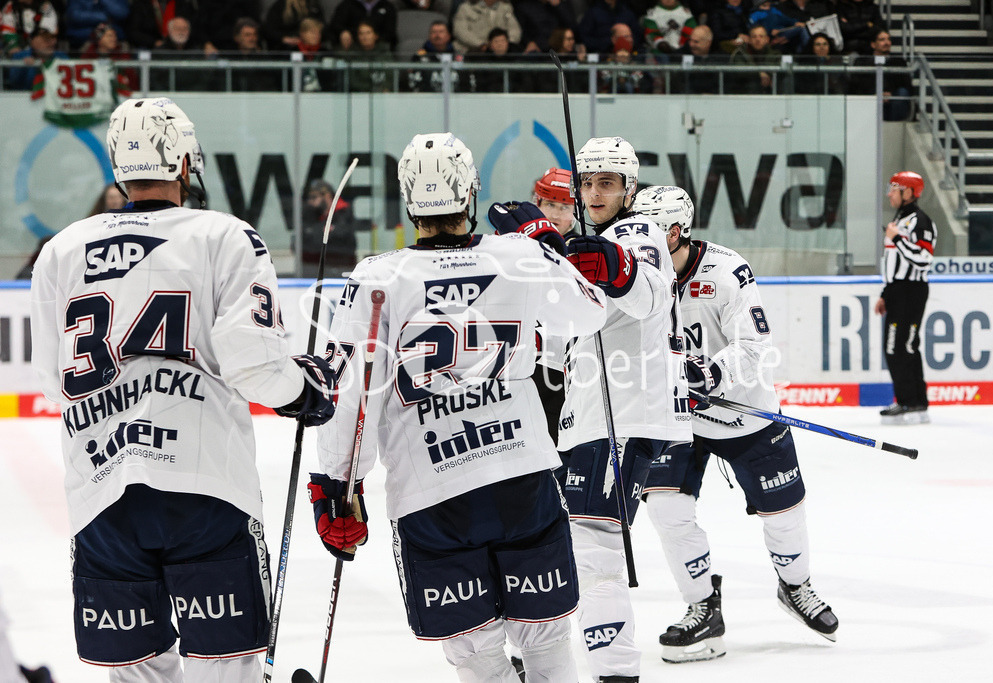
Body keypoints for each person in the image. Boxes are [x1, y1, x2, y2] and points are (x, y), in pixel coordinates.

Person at [29, 96, 338, 681]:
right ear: (185, 163)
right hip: (206, 490)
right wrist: (303, 392)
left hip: (102, 494)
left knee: (138, 673)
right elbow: (252, 362)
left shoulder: (62, 250)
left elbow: (51, 379)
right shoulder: (224, 236)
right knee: (226, 667)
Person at [313, 131, 607, 682]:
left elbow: (352, 396)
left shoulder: (378, 275)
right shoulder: (518, 254)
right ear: (471, 191)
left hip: (433, 493)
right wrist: (546, 246)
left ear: (407, 199)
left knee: (477, 657)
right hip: (522, 476)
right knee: (546, 645)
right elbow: (589, 314)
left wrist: (336, 486)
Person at [631, 185, 840, 664]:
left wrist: (709, 374)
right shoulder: (638, 277)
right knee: (667, 509)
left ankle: (795, 586)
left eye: (650, 239)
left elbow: (755, 346)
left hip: (743, 409)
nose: (639, 251)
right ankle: (702, 604)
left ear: (677, 232)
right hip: (679, 419)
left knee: (784, 514)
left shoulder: (727, 272)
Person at [556, 137, 688, 682]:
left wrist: (615, 266)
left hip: (621, 414)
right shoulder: (599, 236)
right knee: (584, 548)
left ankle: (615, 672)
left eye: (606, 183)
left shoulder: (637, 231)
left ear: (630, 188)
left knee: (596, 557)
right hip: (603, 412)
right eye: (586, 183)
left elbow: (653, 296)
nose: (594, 193)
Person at [874, 171, 933, 424]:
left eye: (894, 189)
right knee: (899, 346)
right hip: (898, 291)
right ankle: (911, 400)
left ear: (908, 192)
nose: (889, 193)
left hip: (912, 290)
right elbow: (894, 262)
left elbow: (924, 257)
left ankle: (911, 401)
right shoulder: (901, 219)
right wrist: (885, 294)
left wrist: (896, 238)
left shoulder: (920, 221)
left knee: (902, 346)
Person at [848, 27, 911, 120]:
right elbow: (857, 86)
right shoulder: (862, 62)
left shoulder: (899, 61)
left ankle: (895, 126)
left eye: (888, 39)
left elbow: (906, 84)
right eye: (882, 40)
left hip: (891, 102)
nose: (887, 43)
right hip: (870, 101)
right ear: (873, 44)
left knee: (902, 92)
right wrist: (876, 93)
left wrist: (890, 93)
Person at [300, 178, 357, 275]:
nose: (310, 201)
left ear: (327, 196)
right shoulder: (310, 212)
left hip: (341, 268)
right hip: (312, 268)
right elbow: (302, 241)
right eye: (308, 198)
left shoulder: (344, 212)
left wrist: (317, 234)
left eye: (314, 197)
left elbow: (347, 243)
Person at [452, 0, 522, 54]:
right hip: (473, 52)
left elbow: (515, 29)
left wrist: (505, 43)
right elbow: (460, 31)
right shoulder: (465, 8)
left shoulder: (506, 7)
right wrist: (481, 44)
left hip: (501, 54)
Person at [327, 0, 398, 51]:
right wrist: (342, 31)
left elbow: (390, 32)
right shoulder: (346, 4)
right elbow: (334, 25)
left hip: (379, 49)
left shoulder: (387, 6)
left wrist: (374, 39)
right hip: (352, 47)